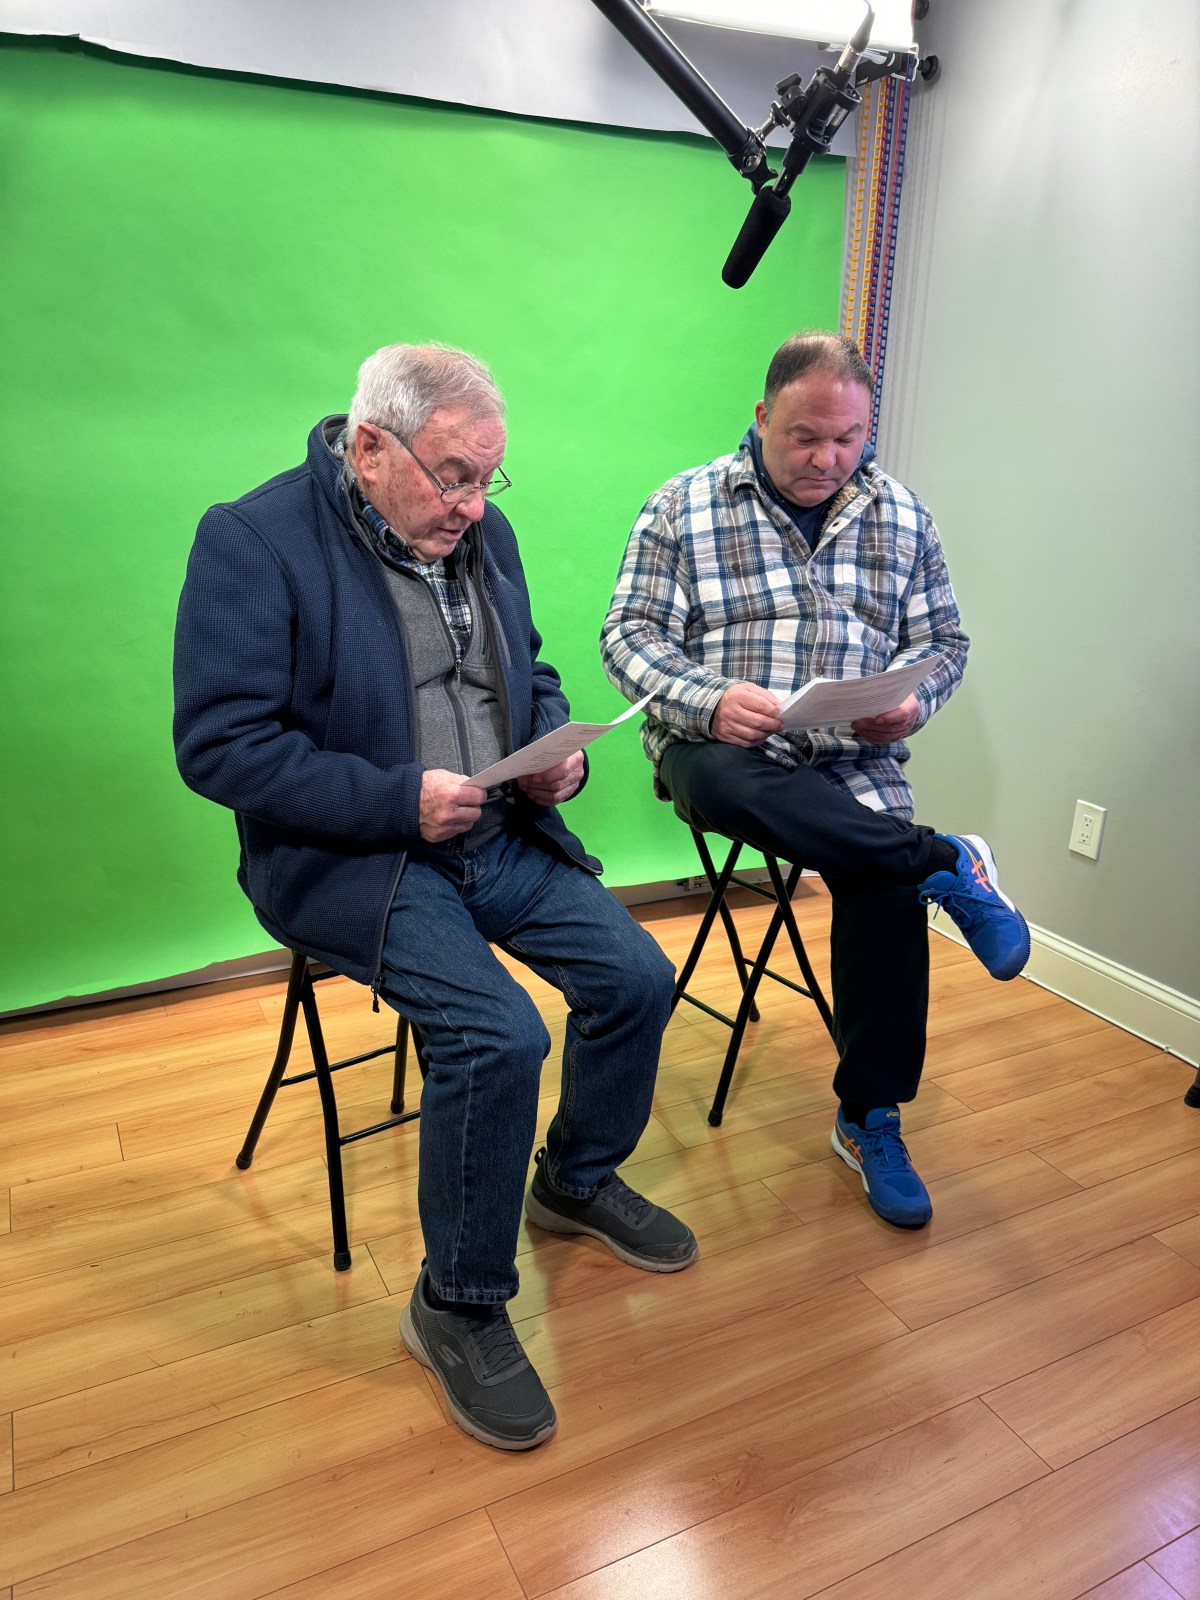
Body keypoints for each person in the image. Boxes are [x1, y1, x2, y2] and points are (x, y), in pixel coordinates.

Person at [174, 343, 696, 1453]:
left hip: (496, 829)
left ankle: (575, 1178)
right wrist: (396, 800)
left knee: (640, 978)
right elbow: (219, 747)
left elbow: (533, 670)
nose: (472, 504)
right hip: (360, 854)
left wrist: (557, 751)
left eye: (485, 478)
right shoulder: (254, 540)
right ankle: (455, 1303)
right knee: (499, 1036)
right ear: (370, 448)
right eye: (452, 475)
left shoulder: (481, 534)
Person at [600, 330, 1030, 1232]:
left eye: (848, 440)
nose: (826, 459)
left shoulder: (903, 516)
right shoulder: (682, 505)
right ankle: (943, 859)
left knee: (877, 878)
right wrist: (711, 700)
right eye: (803, 437)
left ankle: (869, 1115)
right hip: (720, 750)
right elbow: (628, 637)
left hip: (853, 761)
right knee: (738, 783)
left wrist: (908, 710)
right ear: (761, 417)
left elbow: (943, 645)